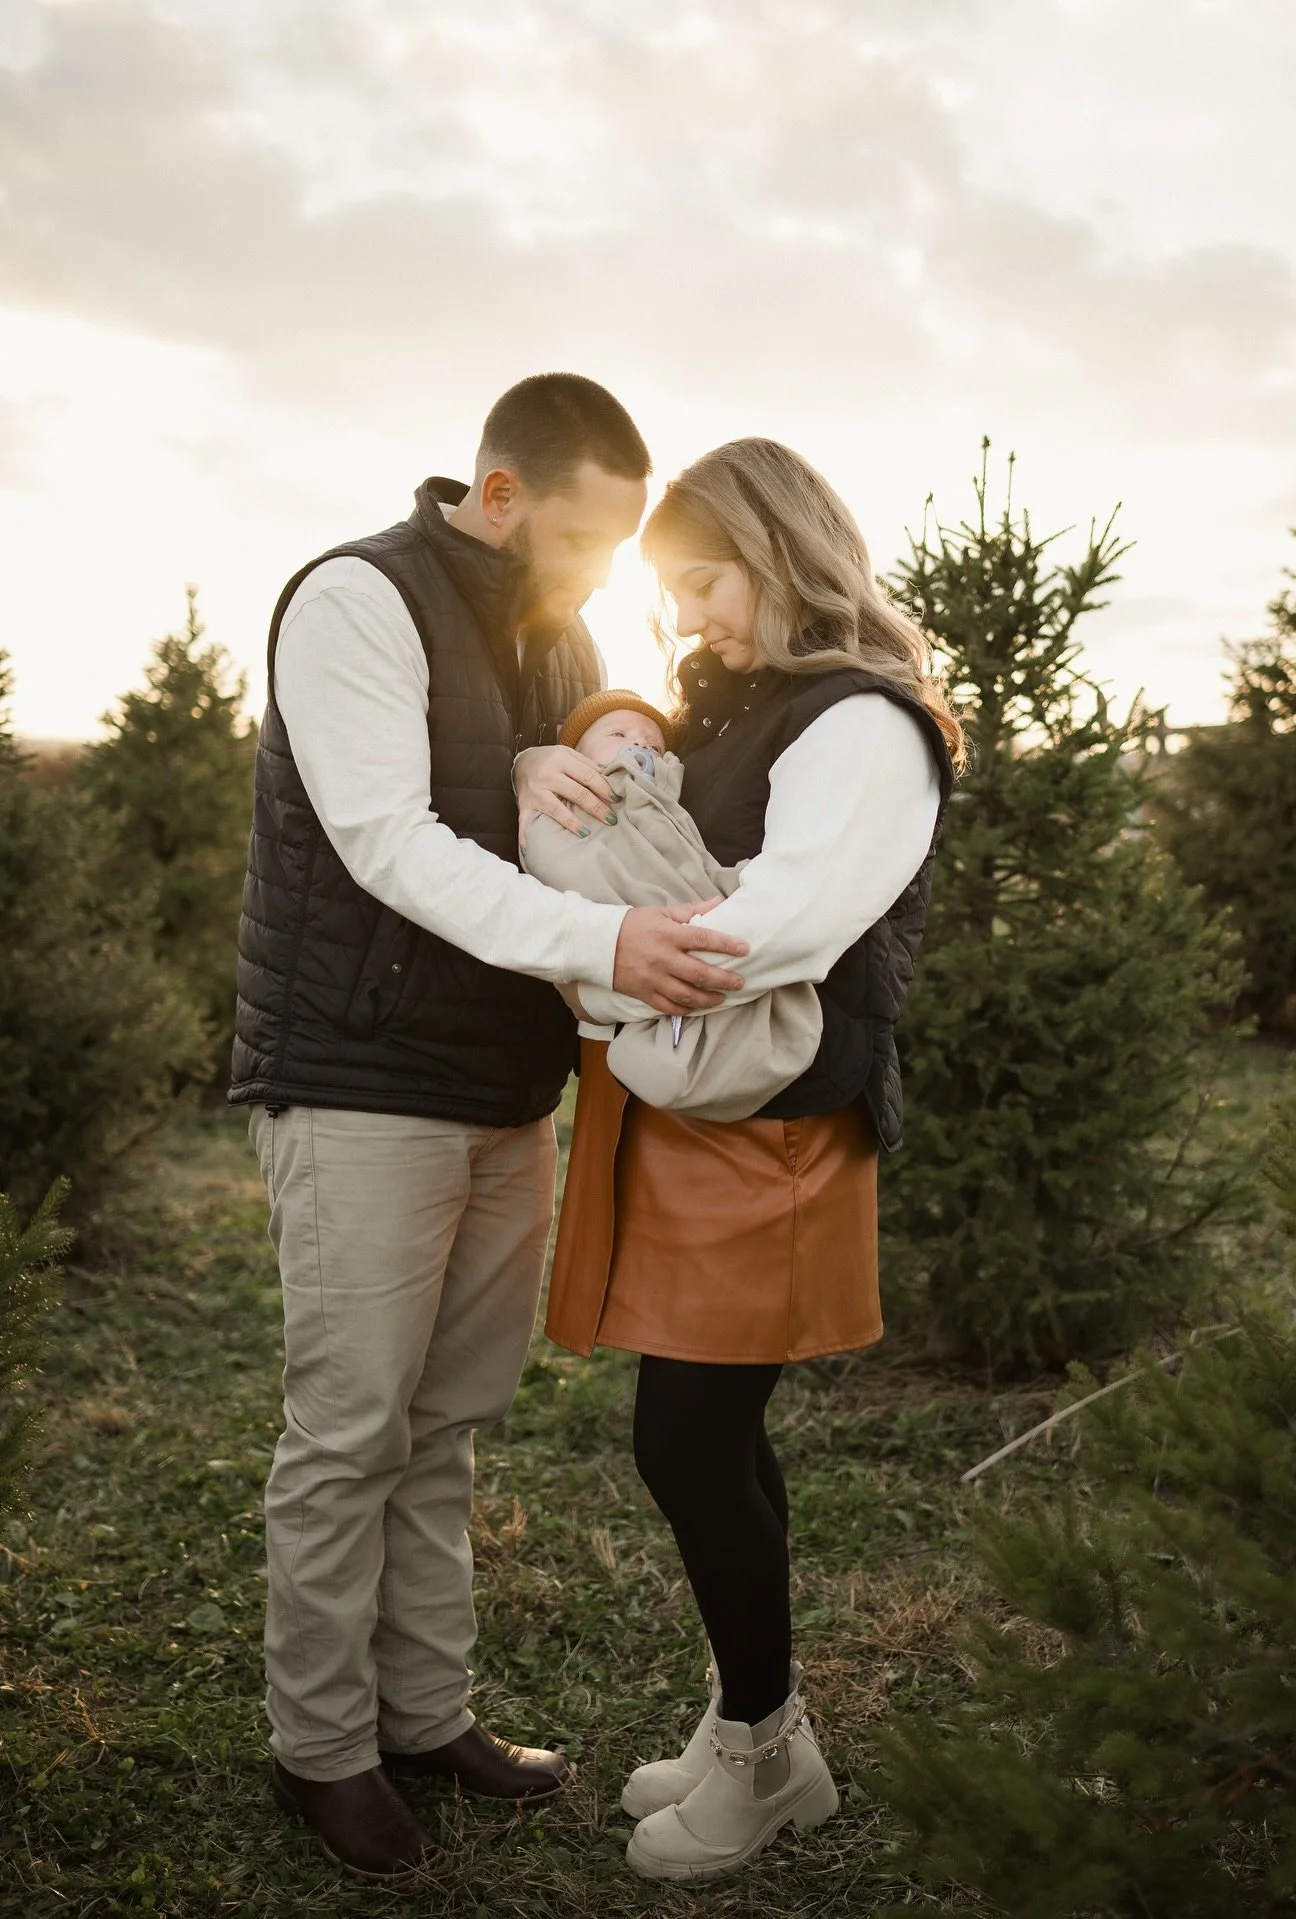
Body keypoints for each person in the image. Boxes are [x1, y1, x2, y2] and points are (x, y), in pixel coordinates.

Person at [229, 373, 749, 1880]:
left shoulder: (556, 620)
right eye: (582, 540)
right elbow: (389, 839)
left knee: (449, 1420)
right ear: (501, 493)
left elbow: (578, 743)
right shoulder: (354, 599)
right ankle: (319, 1746)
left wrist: (595, 728)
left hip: (502, 1084)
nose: (597, 576)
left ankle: (425, 1707)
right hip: (361, 1074)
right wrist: (606, 947)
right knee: (350, 1425)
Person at [543, 437, 963, 1883]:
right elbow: (652, 789)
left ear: (780, 553)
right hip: (714, 1111)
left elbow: (764, 929)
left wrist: (600, 974)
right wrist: (582, 738)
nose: (693, 617)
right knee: (712, 1438)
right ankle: (756, 1732)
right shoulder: (758, 701)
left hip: (774, 1129)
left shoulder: (862, 724)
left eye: (708, 581)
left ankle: (766, 1752)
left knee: (689, 1440)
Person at [520, 689, 822, 1120]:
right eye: (618, 732)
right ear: (575, 753)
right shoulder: (563, 807)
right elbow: (562, 861)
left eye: (653, 742)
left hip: (683, 927)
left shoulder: (668, 804)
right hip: (616, 928)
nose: (639, 744)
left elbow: (691, 860)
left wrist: (736, 884)